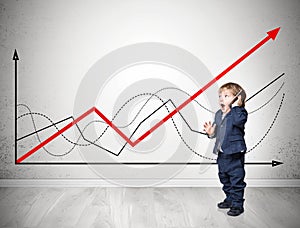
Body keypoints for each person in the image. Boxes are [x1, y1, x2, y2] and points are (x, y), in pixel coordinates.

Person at [203, 82, 247, 216]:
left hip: (234, 153)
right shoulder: (218, 114)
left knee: (236, 179)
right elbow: (217, 133)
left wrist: (238, 106)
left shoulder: (238, 113)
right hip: (222, 153)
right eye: (220, 96)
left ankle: (238, 205)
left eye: (226, 96)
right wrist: (211, 133)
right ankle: (230, 199)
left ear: (237, 98)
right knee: (224, 177)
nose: (222, 99)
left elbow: (240, 121)